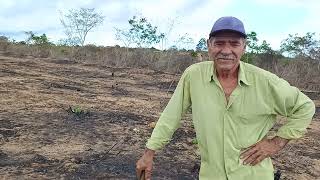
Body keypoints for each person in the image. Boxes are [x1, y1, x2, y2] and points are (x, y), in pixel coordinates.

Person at [136, 16, 315, 180]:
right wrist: (149, 152)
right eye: (219, 43)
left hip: (254, 175)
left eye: (234, 44)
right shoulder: (194, 76)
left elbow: (305, 107)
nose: (226, 51)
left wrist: (276, 142)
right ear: (209, 45)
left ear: (244, 47)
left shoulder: (265, 82)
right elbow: (171, 116)